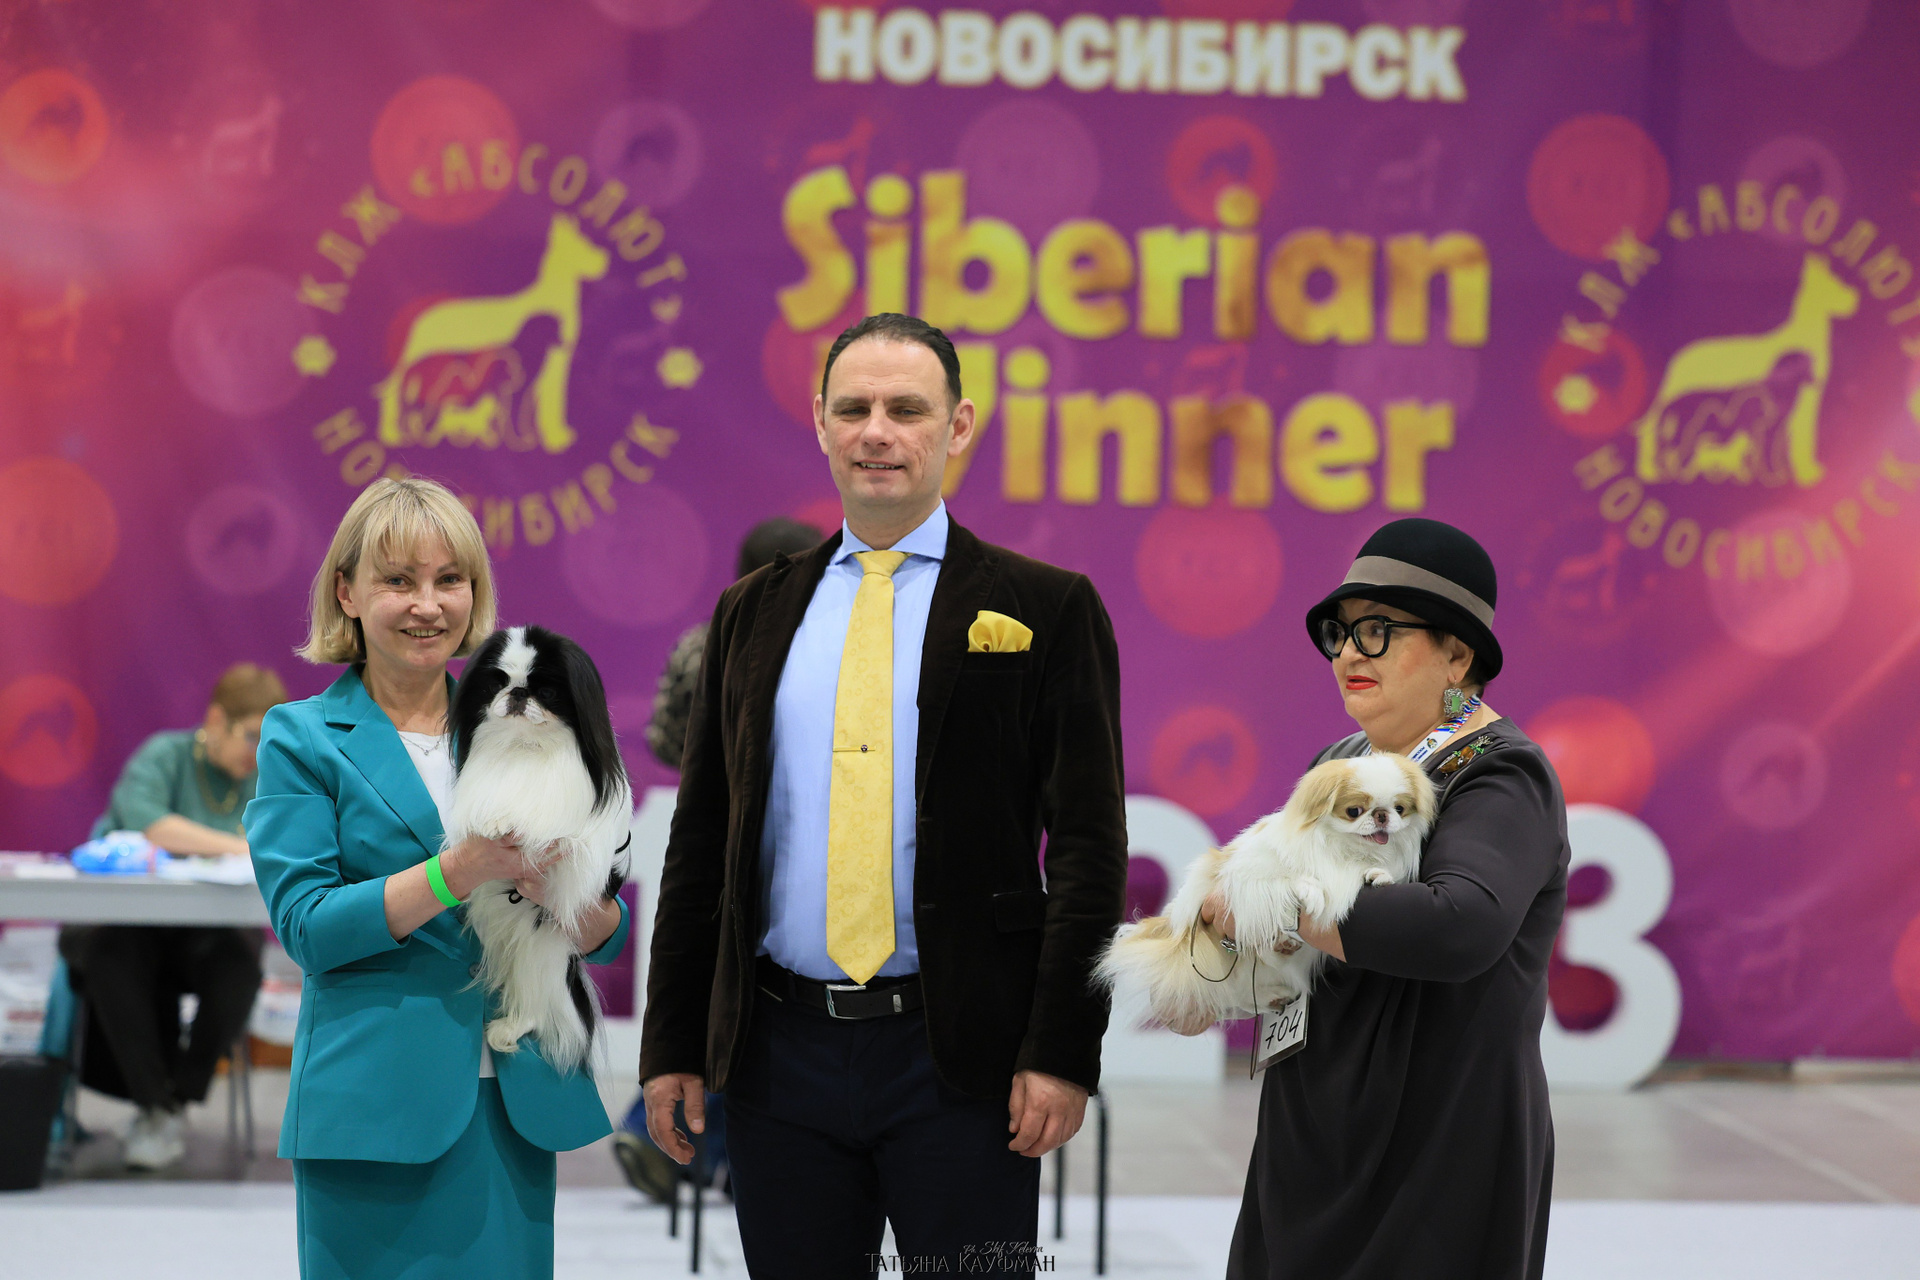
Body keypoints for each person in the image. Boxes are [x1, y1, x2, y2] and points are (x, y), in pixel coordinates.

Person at [640, 313, 1128, 1275]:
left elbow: (1088, 851)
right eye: (854, 408)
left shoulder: (1047, 606)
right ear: (820, 421)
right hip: (778, 1058)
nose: (877, 431)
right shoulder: (750, 612)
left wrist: (1063, 1050)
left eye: (907, 409)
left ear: (959, 426)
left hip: (967, 1061)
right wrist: (672, 1044)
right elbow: (702, 844)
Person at [245, 477, 631, 1280]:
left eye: (449, 579)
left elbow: (598, 922)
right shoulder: (301, 737)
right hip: (375, 1106)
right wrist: (458, 871)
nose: (428, 605)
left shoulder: (522, 722)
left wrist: (585, 911)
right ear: (347, 593)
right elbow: (309, 927)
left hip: (515, 1099)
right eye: (398, 580)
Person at [1199, 518, 1569, 1280]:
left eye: (1378, 631)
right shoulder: (1341, 762)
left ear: (1457, 655)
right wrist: (1217, 958)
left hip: (1437, 1149)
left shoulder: (1500, 772)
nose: (1347, 655)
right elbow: (1280, 925)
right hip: (1311, 1130)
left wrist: (1276, 900)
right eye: (1339, 633)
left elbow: (1458, 925)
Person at [613, 515, 822, 1202]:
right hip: (789, 843)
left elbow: (664, 737)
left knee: (720, 993)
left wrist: (711, 773)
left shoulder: (700, 644)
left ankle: (689, 1146)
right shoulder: (819, 647)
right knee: (757, 999)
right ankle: (700, 1148)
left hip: (709, 837)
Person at [57, 662, 287, 1171]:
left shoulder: (264, 778)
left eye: (266, 740)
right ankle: (153, 1104)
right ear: (216, 720)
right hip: (130, 928)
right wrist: (238, 847)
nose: (256, 751)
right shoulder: (164, 755)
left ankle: (176, 1100)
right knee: (109, 954)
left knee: (240, 965)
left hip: (204, 935)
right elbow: (152, 825)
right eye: (251, 735)